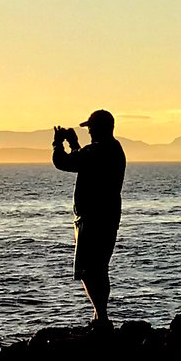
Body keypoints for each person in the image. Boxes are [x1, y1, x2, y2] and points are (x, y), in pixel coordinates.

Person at [52, 110, 127, 327]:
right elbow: (82, 161)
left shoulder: (96, 151)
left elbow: (64, 162)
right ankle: (100, 315)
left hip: (92, 220)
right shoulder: (114, 149)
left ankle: (100, 316)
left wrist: (58, 144)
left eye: (91, 128)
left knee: (88, 270)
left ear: (99, 128)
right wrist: (75, 143)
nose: (90, 131)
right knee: (99, 268)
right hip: (109, 217)